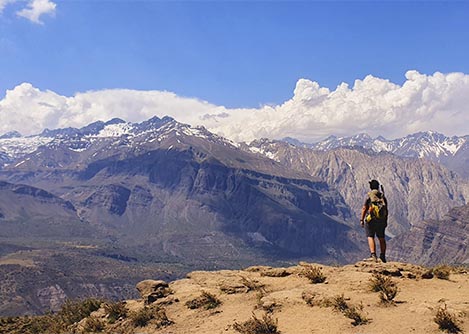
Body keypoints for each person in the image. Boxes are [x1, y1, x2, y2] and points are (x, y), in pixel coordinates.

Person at [360, 179, 388, 263]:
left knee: (370, 236)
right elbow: (386, 209)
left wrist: (362, 219)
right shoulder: (382, 196)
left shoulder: (370, 196)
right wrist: (385, 220)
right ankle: (382, 255)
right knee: (381, 238)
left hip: (371, 220)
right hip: (381, 220)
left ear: (371, 187)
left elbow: (364, 208)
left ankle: (373, 255)